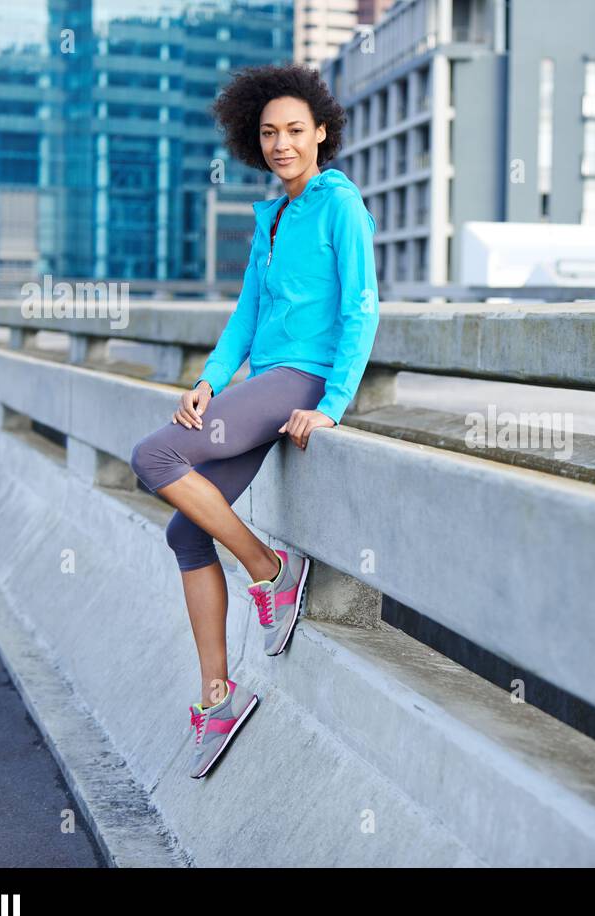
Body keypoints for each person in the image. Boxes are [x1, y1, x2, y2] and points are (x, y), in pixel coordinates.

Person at [129, 64, 379, 779]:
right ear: (252, 138)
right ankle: (218, 697)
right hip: (260, 381)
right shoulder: (270, 215)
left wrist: (329, 406)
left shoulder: (341, 203)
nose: (281, 144)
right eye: (268, 133)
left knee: (154, 458)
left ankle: (271, 572)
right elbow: (245, 315)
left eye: (295, 130)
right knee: (184, 531)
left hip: (299, 381)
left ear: (321, 132)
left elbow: (363, 306)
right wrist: (209, 380)